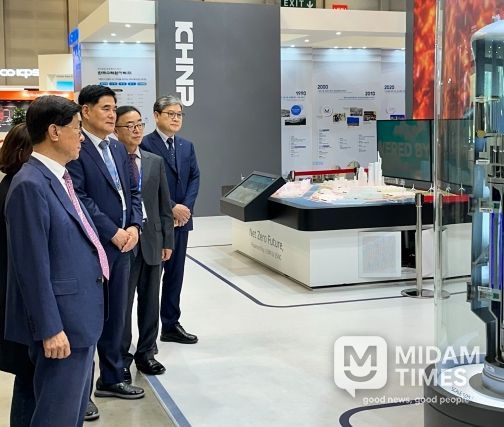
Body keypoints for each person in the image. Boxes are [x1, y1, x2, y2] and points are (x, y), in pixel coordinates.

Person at [4, 95, 107, 426]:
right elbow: (31, 268)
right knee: (56, 417)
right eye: (77, 128)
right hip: (62, 326)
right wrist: (50, 329)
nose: (81, 137)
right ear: (54, 131)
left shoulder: (59, 179)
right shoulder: (30, 185)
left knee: (71, 414)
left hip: (80, 319)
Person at [66, 86, 144, 417]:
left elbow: (133, 191)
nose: (113, 114)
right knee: (87, 321)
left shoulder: (116, 147)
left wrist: (134, 226)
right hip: (93, 246)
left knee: (117, 317)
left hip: (124, 245)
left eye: (114, 108)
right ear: (85, 111)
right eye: (106, 108)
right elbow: (79, 198)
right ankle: (80, 393)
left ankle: (111, 378)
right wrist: (112, 232)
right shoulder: (76, 147)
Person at [115, 106, 174, 379]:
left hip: (152, 240)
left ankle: (147, 353)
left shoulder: (153, 161)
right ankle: (120, 358)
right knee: (122, 305)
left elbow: (164, 205)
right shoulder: (112, 162)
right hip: (123, 243)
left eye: (139, 124)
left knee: (150, 302)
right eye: (130, 125)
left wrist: (167, 241)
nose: (137, 130)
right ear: (116, 130)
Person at [141, 95, 200, 344]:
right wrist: (172, 207)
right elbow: (145, 184)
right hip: (157, 222)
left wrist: (185, 208)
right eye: (170, 114)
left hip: (181, 222)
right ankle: (148, 335)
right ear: (157, 115)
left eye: (179, 114)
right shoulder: (144, 144)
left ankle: (171, 324)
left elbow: (195, 177)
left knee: (175, 276)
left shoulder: (187, 146)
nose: (176, 118)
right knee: (152, 280)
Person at [0, 124, 35, 427]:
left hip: (12, 297)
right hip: (17, 301)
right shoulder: (20, 191)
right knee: (27, 377)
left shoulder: (11, 186)